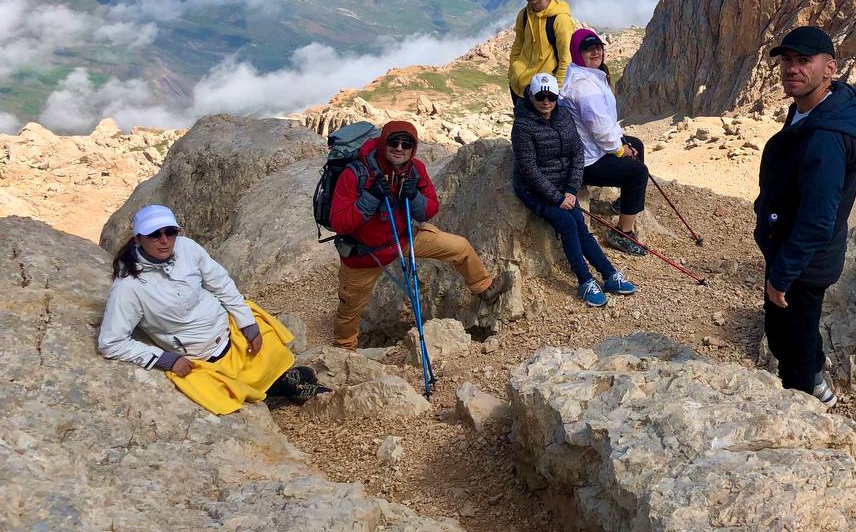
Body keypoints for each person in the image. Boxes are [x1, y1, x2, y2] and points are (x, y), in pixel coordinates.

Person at [753, 26, 856, 407]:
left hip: (802, 259)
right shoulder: (815, 109)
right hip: (802, 253)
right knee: (800, 327)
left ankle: (802, 404)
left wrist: (782, 274)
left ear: (830, 69)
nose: (792, 68)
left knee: (789, 339)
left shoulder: (824, 136)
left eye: (804, 60)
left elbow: (817, 219)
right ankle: (818, 382)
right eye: (787, 60)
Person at [98, 204, 320, 415]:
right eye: (155, 235)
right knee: (227, 393)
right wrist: (165, 360)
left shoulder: (186, 247)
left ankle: (286, 379)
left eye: (170, 232)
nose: (165, 240)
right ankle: (288, 386)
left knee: (268, 345)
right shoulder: (128, 288)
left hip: (228, 330)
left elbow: (220, 283)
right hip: (201, 356)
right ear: (138, 239)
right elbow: (111, 342)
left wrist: (246, 322)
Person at [327, 120, 512, 350]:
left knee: (460, 247)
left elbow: (430, 209)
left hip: (403, 240)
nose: (399, 148)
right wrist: (371, 197)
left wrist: (414, 196)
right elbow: (340, 223)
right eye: (394, 142)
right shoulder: (355, 174)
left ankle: (484, 287)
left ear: (413, 147)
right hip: (364, 255)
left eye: (407, 143)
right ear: (383, 142)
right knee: (349, 311)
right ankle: (345, 351)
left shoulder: (414, 169)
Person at [512, 72, 637, 307]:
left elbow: (576, 153)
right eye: (541, 97)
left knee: (579, 224)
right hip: (533, 190)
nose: (546, 102)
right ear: (531, 95)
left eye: (551, 96)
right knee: (569, 223)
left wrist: (570, 189)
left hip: (562, 187)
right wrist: (557, 197)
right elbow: (528, 169)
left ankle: (608, 274)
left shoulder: (563, 115)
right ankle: (584, 280)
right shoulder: (522, 126)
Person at [559, 27, 648, 256]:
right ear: (578, 53)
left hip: (591, 148)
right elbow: (598, 128)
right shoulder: (584, 87)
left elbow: (603, 122)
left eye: (598, 47)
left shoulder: (587, 75)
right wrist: (619, 150)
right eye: (588, 49)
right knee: (638, 172)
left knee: (636, 144)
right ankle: (622, 233)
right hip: (585, 163)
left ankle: (625, 202)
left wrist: (622, 143)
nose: (595, 52)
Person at [507, 0, 575, 106]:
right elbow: (517, 46)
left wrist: (555, 92)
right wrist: (513, 73)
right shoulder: (523, 15)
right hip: (519, 89)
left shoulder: (560, 19)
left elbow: (566, 59)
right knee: (521, 128)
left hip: (543, 94)